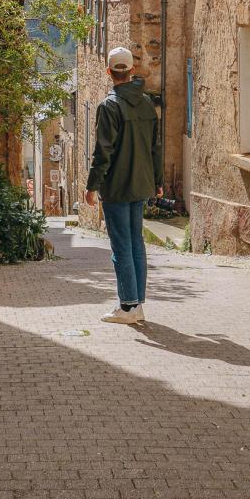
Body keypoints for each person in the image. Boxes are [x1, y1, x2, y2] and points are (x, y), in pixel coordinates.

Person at [85, 46, 163, 324]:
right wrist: (158, 181)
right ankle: (137, 303)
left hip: (117, 186)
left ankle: (128, 306)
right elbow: (156, 147)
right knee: (136, 243)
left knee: (121, 245)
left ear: (109, 72)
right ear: (131, 71)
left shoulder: (109, 106)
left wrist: (92, 185)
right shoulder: (146, 104)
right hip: (141, 183)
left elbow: (103, 150)